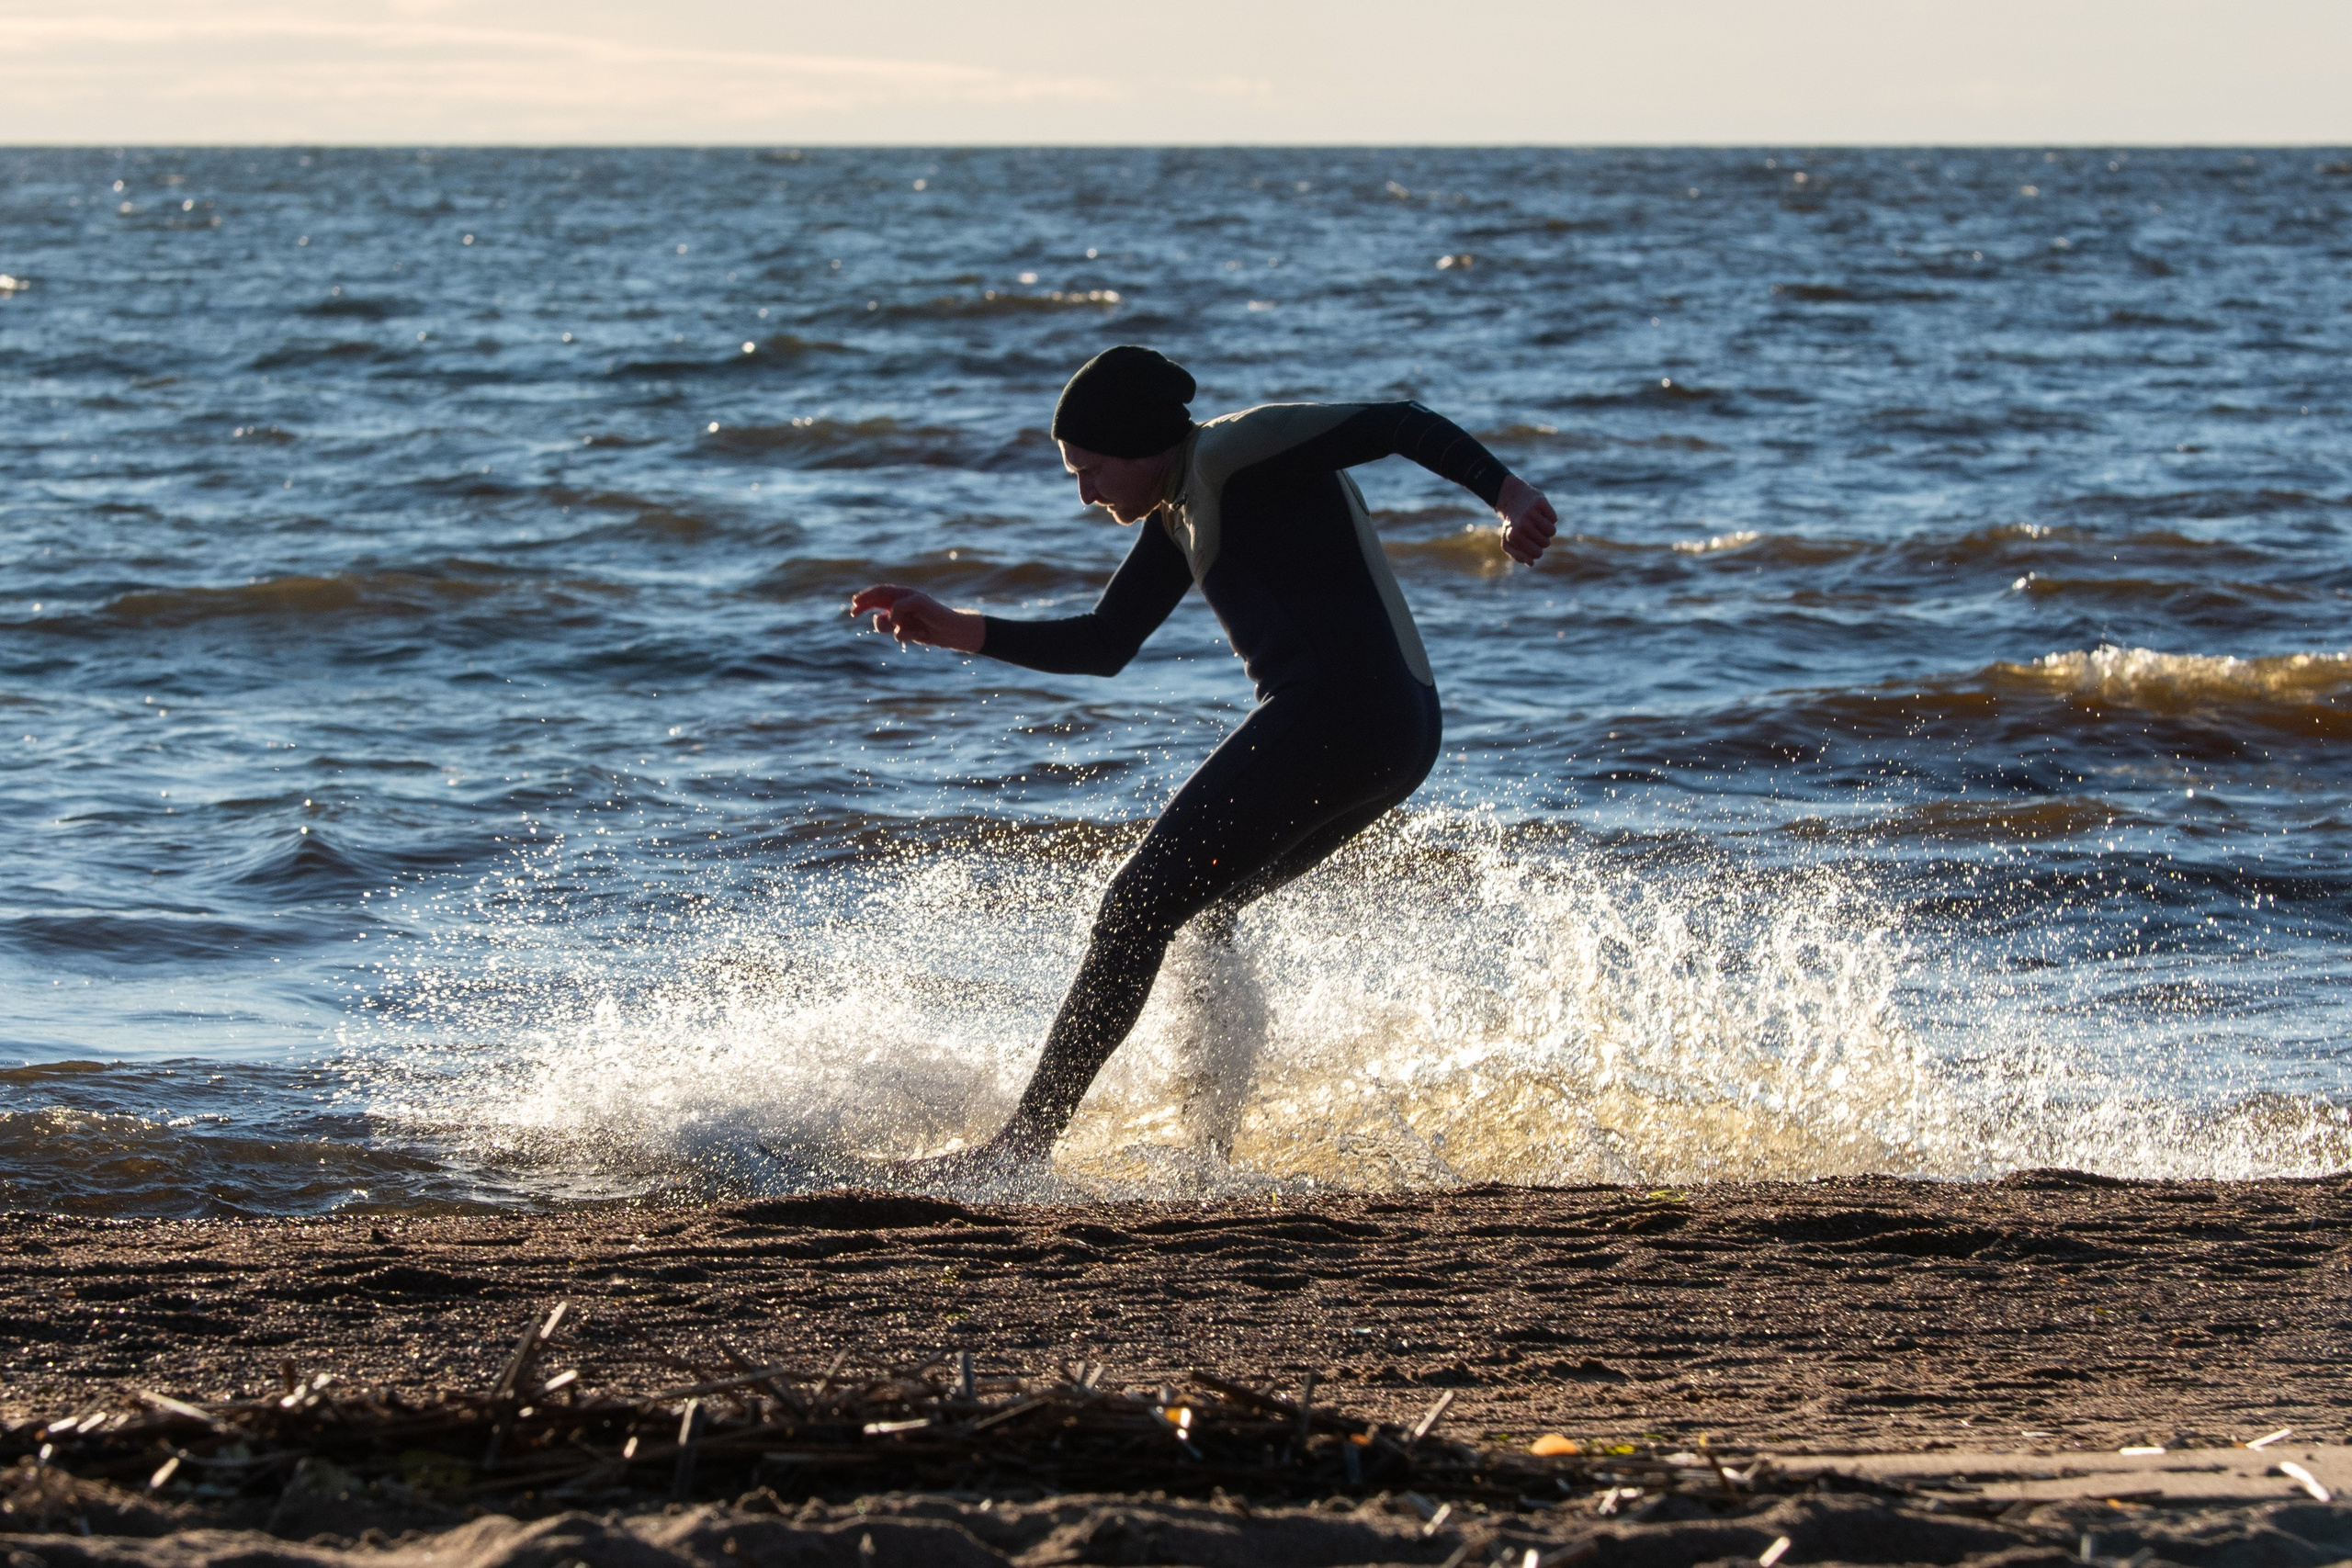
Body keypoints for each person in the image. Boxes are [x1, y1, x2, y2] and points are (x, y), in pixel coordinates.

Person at [849, 345, 1558, 1179]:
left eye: (1091, 467)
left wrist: (1509, 495)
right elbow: (1107, 642)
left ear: (1140, 440)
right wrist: (958, 626)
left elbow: (1395, 422)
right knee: (1202, 908)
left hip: (1341, 715)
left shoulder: (1233, 451)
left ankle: (1019, 1149)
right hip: (1398, 734)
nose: (1084, 491)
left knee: (1133, 904)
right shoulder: (1180, 504)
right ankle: (1208, 1153)